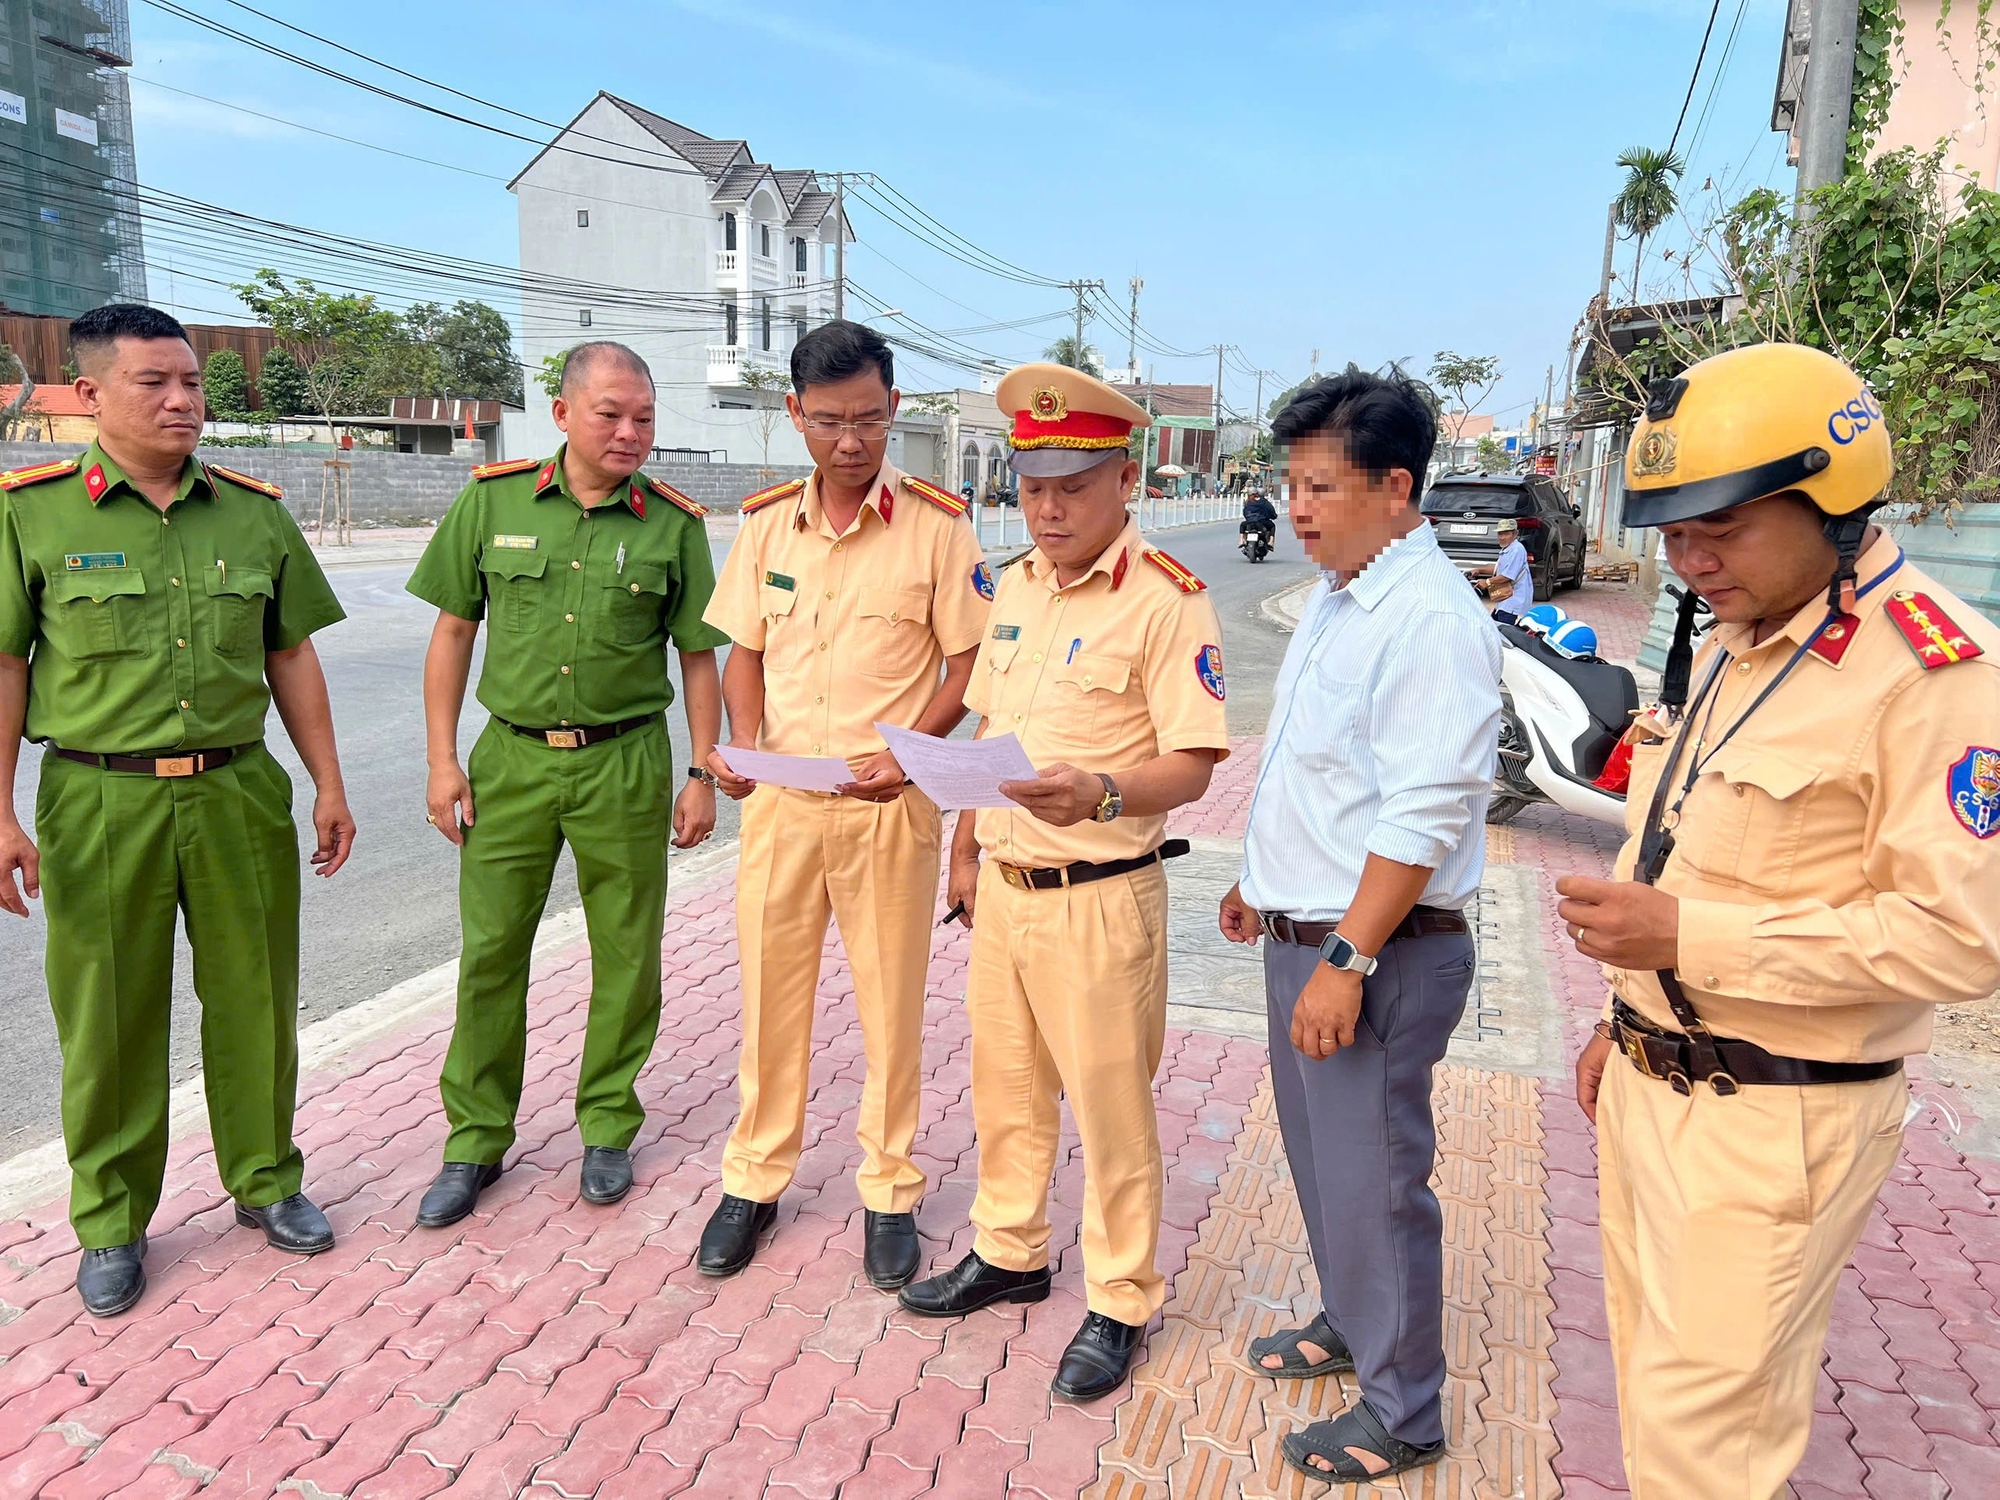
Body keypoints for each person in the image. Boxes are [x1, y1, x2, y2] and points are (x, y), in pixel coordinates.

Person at [1560, 343, 2000, 1498]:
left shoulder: (1935, 675)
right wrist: (1629, 1012)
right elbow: (1694, 843)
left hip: (1774, 1122)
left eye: (1724, 527)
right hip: (1657, 1088)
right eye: (1669, 533)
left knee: (1708, 1447)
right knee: (1657, 1403)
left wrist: (1681, 943)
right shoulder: (1738, 638)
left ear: (1836, 502)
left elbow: (1959, 939)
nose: (1690, 560)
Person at [0, 304, 355, 1316]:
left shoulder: (253, 511)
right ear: (88, 395)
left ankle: (266, 1181)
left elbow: (291, 653)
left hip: (237, 788)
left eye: (192, 383)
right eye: (154, 382)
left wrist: (329, 781)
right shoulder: (31, 512)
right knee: (108, 1015)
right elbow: (6, 668)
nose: (181, 400)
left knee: (255, 996)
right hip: (99, 793)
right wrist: (1, 813)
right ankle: (110, 1220)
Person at [898, 362, 1230, 1402]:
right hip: (1003, 890)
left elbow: (1194, 761)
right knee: (1004, 1091)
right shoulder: (1014, 588)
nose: (1046, 506)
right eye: (1032, 483)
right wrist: (962, 846)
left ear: (1123, 481)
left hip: (1101, 898)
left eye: (1072, 485)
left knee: (1110, 1112)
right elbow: (988, 736)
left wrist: (1096, 792)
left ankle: (1121, 1297)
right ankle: (1010, 1251)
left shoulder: (1167, 601)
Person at [1217, 366, 1501, 1482]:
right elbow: (1314, 774)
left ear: (1395, 487)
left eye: (1319, 485)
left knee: (1376, 1179)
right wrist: (1261, 881)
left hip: (1373, 955)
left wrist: (1344, 958)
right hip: (1311, 935)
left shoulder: (1426, 619)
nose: (1297, 506)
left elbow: (1422, 811)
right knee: (1326, 1164)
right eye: (1289, 483)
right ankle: (1351, 1321)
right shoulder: (1340, 596)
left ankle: (1403, 1412)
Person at [405, 341, 726, 1226]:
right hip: (509, 759)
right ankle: (474, 1139)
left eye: (645, 419)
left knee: (627, 951)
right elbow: (452, 637)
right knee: (492, 951)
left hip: (625, 761)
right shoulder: (492, 501)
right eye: (611, 414)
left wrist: (701, 769)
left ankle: (608, 1125)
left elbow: (699, 657)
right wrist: (443, 760)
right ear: (562, 413)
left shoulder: (674, 522)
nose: (629, 433)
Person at [697, 321, 990, 1288]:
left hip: (886, 808)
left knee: (889, 1003)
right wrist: (738, 746)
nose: (852, 442)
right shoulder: (767, 524)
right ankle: (754, 1178)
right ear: (795, 416)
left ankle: (891, 1188)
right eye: (829, 422)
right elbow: (742, 649)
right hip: (783, 804)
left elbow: (969, 661)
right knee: (771, 1001)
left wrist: (914, 757)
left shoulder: (940, 530)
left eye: (868, 419)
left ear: (894, 409)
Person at [1471, 517, 1530, 623]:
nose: (1502, 537)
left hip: (1513, 601)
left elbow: (1507, 576)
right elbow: (1499, 569)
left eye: (1506, 534)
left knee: (1505, 634)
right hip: (1504, 601)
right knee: (1494, 628)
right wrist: (1479, 570)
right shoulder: (1508, 549)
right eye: (1500, 534)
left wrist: (1487, 582)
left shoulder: (1517, 550)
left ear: (1515, 534)